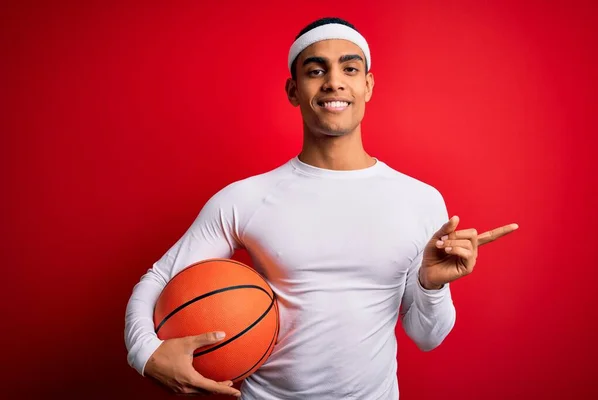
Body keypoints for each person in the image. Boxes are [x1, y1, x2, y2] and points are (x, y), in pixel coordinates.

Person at [124, 17, 518, 399]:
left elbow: (427, 337)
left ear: (367, 85)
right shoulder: (244, 198)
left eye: (350, 68)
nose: (334, 81)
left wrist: (431, 286)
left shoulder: (421, 199)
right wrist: (146, 354)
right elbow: (160, 277)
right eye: (316, 70)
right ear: (294, 90)